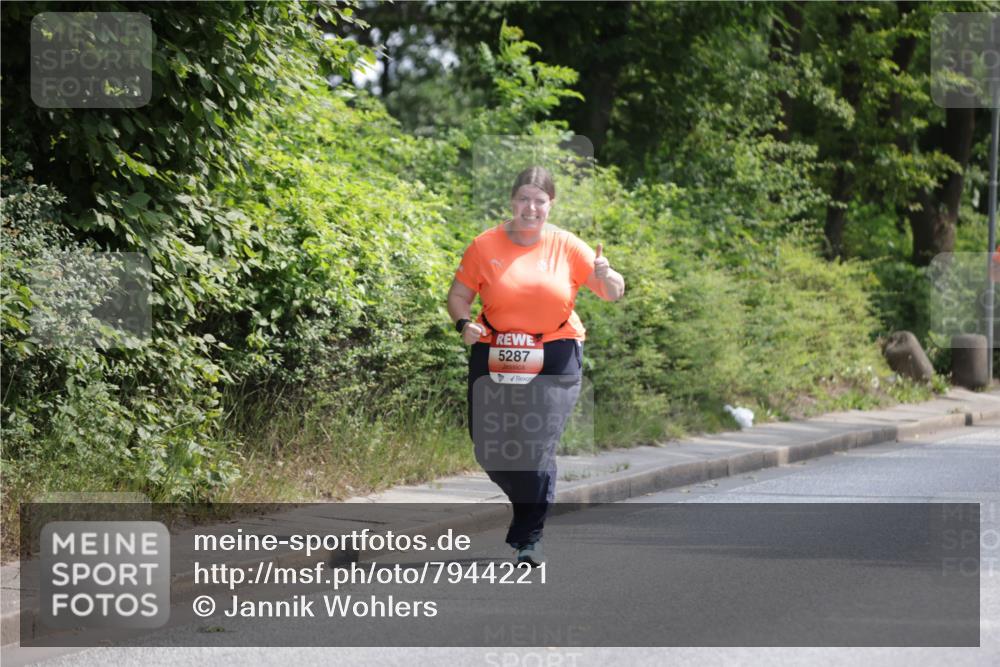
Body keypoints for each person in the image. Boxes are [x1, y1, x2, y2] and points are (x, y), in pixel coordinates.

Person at [446, 166, 625, 566]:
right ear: (511, 201)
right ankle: (530, 506)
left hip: (556, 351)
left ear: (551, 204)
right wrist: (463, 324)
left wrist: (607, 273)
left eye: (539, 201)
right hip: (494, 350)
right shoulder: (484, 246)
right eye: (523, 199)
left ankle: (529, 537)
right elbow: (458, 296)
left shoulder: (567, 245)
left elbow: (612, 292)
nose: (531, 208)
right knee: (488, 448)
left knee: (535, 445)